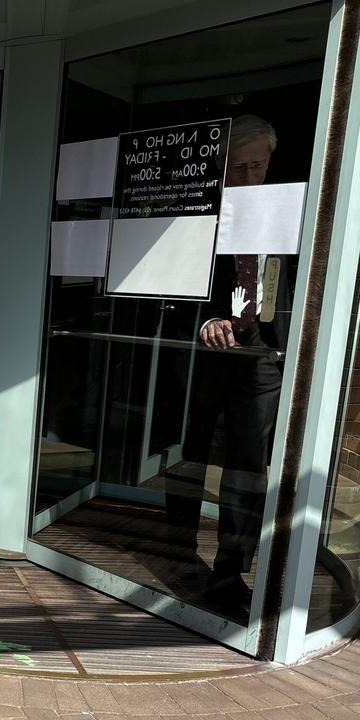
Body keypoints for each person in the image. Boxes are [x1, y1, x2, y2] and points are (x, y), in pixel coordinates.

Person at [165, 114, 284, 615]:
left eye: (258, 167)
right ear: (217, 166)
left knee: (248, 467)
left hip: (263, 355)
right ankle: (177, 549)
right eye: (238, 168)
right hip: (206, 354)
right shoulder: (196, 210)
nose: (249, 178)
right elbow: (171, 280)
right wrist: (207, 317)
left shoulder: (284, 211)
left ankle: (230, 570)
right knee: (189, 451)